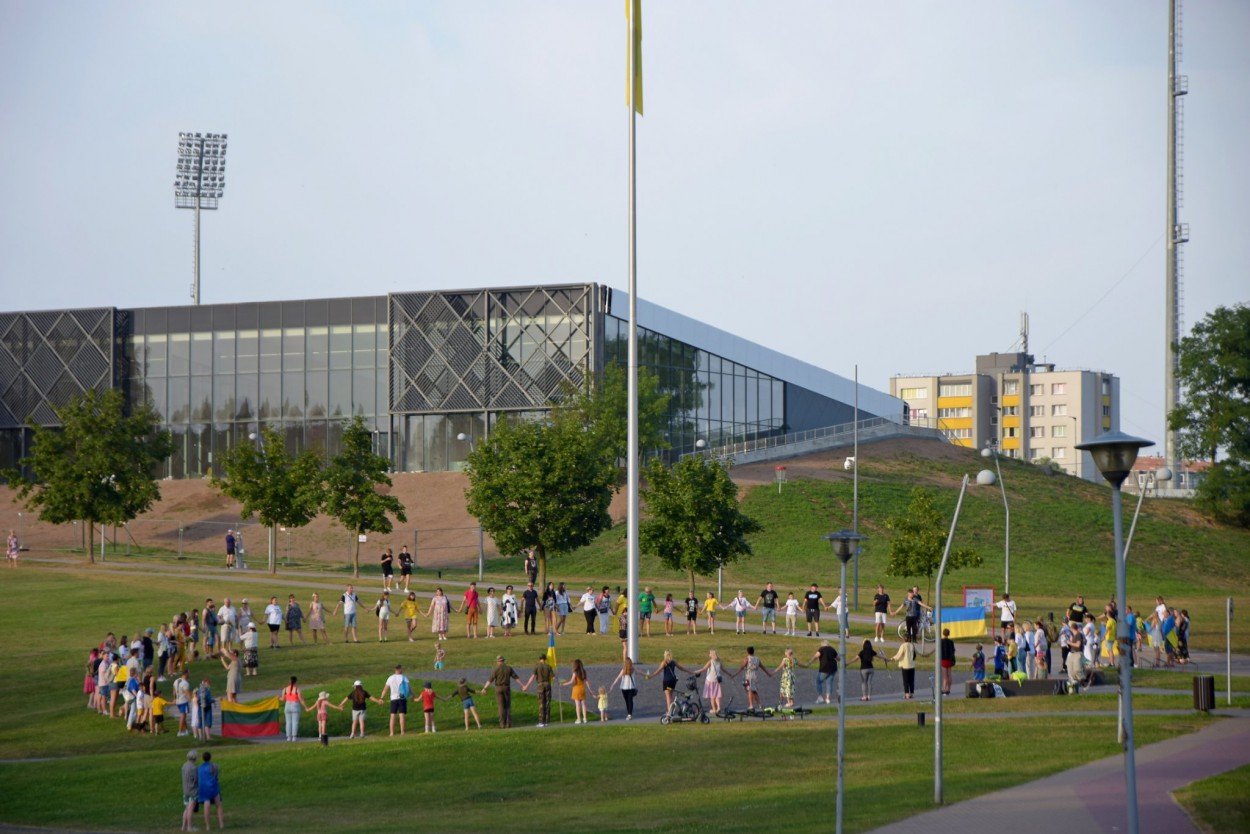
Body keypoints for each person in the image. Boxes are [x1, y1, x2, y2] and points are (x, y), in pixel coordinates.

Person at [482, 655, 520, 729]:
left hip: (498, 688)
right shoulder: (509, 668)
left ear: (498, 662)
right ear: (503, 661)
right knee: (507, 706)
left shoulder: (496, 669)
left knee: (501, 707)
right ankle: (508, 723)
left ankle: (502, 724)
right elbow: (516, 678)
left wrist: (484, 688)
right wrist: (523, 685)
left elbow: (490, 680)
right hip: (506, 687)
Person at [521, 654, 555, 727]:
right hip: (547, 684)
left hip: (540, 685)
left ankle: (541, 721)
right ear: (545, 659)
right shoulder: (549, 667)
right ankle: (547, 721)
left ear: (539, 659)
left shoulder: (537, 667)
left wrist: (526, 686)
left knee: (541, 703)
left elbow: (532, 677)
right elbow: (553, 677)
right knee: (547, 703)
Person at [729, 646, 768, 711]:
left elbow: (742, 667)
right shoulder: (757, 659)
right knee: (754, 690)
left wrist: (735, 674)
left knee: (749, 690)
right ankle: (759, 705)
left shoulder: (747, 659)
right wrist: (768, 673)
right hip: (755, 675)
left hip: (749, 676)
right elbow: (762, 667)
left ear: (747, 652)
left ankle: (751, 705)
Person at [380, 664, 412, 736]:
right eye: (402, 669)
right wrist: (413, 695)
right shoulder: (404, 677)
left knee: (392, 716)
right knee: (402, 715)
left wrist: (382, 698)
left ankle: (392, 733)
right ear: (399, 669)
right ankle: (402, 732)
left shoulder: (390, 678)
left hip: (393, 699)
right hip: (402, 698)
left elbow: (385, 689)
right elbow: (409, 688)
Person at [806, 640, 839, 704]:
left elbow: (816, 656)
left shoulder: (821, 649)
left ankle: (820, 697)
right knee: (829, 683)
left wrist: (809, 662)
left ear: (822, 645)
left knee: (818, 681)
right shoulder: (832, 649)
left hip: (824, 668)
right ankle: (828, 699)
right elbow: (838, 658)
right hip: (833, 668)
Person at [198, 751, 224, 830]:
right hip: (213, 786)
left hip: (203, 788)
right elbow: (217, 775)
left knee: (206, 806)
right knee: (218, 805)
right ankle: (221, 824)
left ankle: (208, 826)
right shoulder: (214, 766)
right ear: (210, 757)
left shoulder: (199, 768)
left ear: (203, 758)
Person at [693, 649, 724, 714]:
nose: (709, 654)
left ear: (711, 655)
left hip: (710, 680)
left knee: (712, 696)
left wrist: (696, 671)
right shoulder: (719, 662)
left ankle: (714, 709)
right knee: (717, 695)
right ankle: (718, 707)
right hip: (717, 681)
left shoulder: (710, 662)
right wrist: (730, 674)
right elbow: (723, 669)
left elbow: (703, 669)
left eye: (709, 653)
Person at [609, 656, 639, 720]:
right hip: (631, 687)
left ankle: (629, 714)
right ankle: (629, 714)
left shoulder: (623, 670)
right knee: (630, 700)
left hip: (624, 688)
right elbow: (640, 672)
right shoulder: (633, 670)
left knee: (627, 701)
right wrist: (647, 675)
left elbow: (618, 678)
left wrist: (612, 685)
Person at [563, 659, 591, 724]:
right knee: (583, 704)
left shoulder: (575, 673)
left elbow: (572, 681)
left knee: (577, 705)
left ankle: (579, 719)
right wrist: (590, 689)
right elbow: (586, 681)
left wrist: (564, 684)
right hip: (582, 688)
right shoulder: (584, 671)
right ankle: (585, 718)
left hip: (576, 689)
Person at [891, 635, 919, 700]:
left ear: (903, 639)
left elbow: (899, 654)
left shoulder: (903, 646)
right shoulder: (912, 645)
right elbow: (915, 655)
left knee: (906, 681)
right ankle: (911, 693)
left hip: (905, 665)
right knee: (911, 680)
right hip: (912, 665)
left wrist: (893, 658)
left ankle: (907, 694)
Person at [281, 676, 307, 741]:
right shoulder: (297, 689)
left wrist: (278, 698)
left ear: (289, 681)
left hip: (287, 705)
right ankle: (294, 737)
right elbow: (301, 699)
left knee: (288, 722)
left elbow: (283, 699)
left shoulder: (285, 689)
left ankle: (288, 737)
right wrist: (306, 707)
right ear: (296, 681)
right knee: (295, 722)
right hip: (295, 705)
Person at [181, 749, 199, 832]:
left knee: (186, 808)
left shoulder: (184, 766)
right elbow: (196, 779)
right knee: (190, 809)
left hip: (185, 790)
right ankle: (189, 827)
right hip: (193, 790)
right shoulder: (194, 768)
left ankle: (183, 826)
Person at [939, 628, 956, 695]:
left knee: (944, 676)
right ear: (949, 634)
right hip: (949, 659)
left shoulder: (941, 641)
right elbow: (953, 650)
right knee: (949, 675)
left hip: (943, 659)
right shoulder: (951, 642)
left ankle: (944, 689)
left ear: (943, 633)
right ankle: (948, 689)